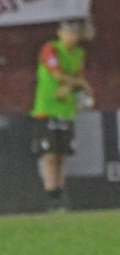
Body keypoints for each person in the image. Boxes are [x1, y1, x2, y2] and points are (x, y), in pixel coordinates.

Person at [30, 19, 94, 212]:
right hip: (46, 109)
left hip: (66, 111)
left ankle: (59, 197)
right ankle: (51, 198)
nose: (71, 37)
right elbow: (58, 76)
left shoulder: (78, 54)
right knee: (49, 155)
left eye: (74, 34)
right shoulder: (51, 49)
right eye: (68, 33)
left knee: (61, 155)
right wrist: (78, 84)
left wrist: (71, 86)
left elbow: (79, 79)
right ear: (60, 33)